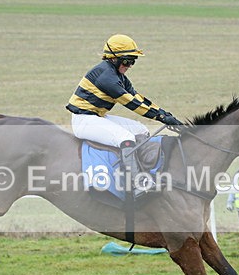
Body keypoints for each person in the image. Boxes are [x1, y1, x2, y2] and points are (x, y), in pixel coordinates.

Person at [66, 34, 182, 195]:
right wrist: (160, 118)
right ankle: (136, 183)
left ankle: (144, 170)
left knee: (140, 130)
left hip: (97, 117)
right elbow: (131, 103)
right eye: (128, 61)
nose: (130, 65)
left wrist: (165, 113)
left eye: (133, 61)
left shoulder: (118, 75)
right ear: (114, 59)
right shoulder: (106, 76)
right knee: (125, 138)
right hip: (84, 120)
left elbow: (138, 97)